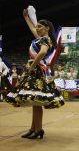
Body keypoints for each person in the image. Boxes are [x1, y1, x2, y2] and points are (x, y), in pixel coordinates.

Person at [5, 8, 64, 139]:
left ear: (47, 28)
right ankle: (33, 128)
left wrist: (32, 65)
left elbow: (42, 52)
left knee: (37, 102)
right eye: (37, 26)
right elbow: (32, 29)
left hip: (37, 71)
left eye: (40, 27)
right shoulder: (42, 38)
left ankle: (39, 129)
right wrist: (26, 18)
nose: (37, 29)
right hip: (36, 71)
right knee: (34, 101)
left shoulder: (45, 40)